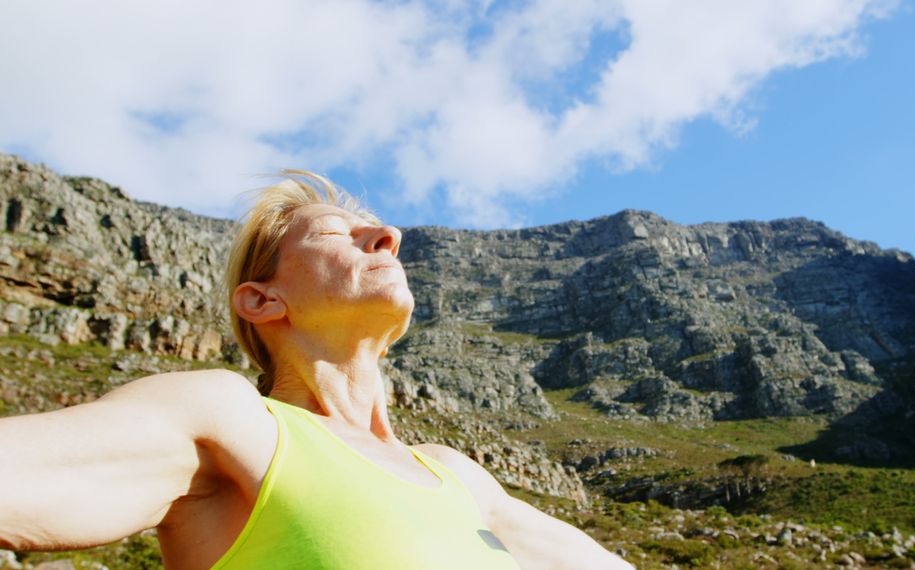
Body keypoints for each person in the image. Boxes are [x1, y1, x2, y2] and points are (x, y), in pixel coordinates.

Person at [0, 172, 632, 569]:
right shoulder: (232, 423)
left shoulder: (460, 477)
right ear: (261, 300)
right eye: (334, 233)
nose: (388, 234)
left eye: (379, 230)